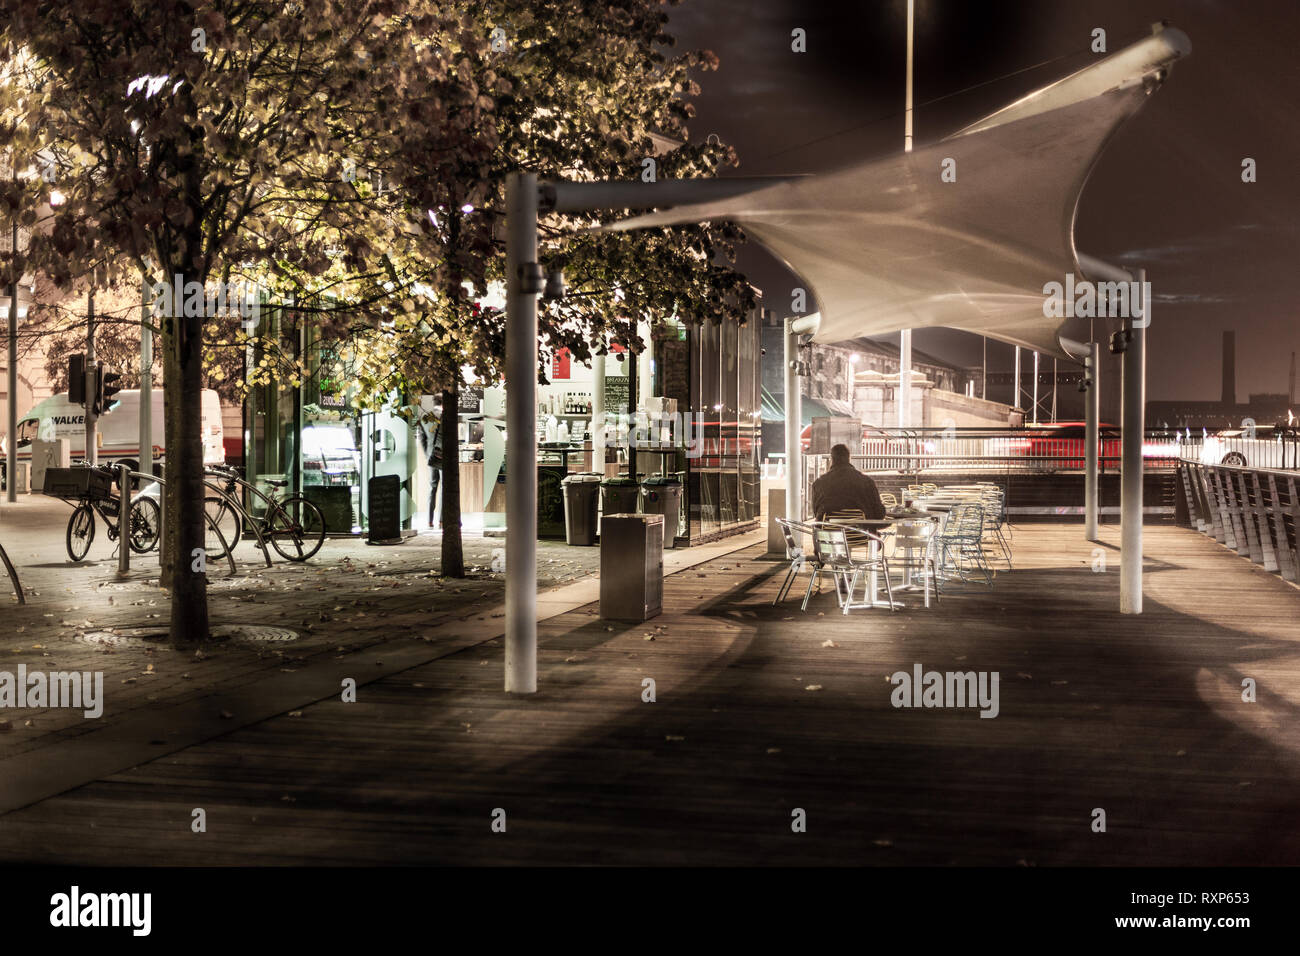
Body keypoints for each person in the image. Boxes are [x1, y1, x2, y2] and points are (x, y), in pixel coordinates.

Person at [811, 443, 886, 520]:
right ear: (849, 458)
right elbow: (879, 514)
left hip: (827, 531)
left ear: (832, 459)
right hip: (860, 531)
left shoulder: (818, 483)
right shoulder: (867, 482)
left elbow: (816, 512)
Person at [417, 407, 444, 529]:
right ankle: (442, 520)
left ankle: (429, 520)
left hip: (431, 456)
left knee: (432, 487)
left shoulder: (425, 417)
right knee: (444, 488)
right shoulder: (445, 416)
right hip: (443, 455)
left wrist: (428, 454)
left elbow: (422, 439)